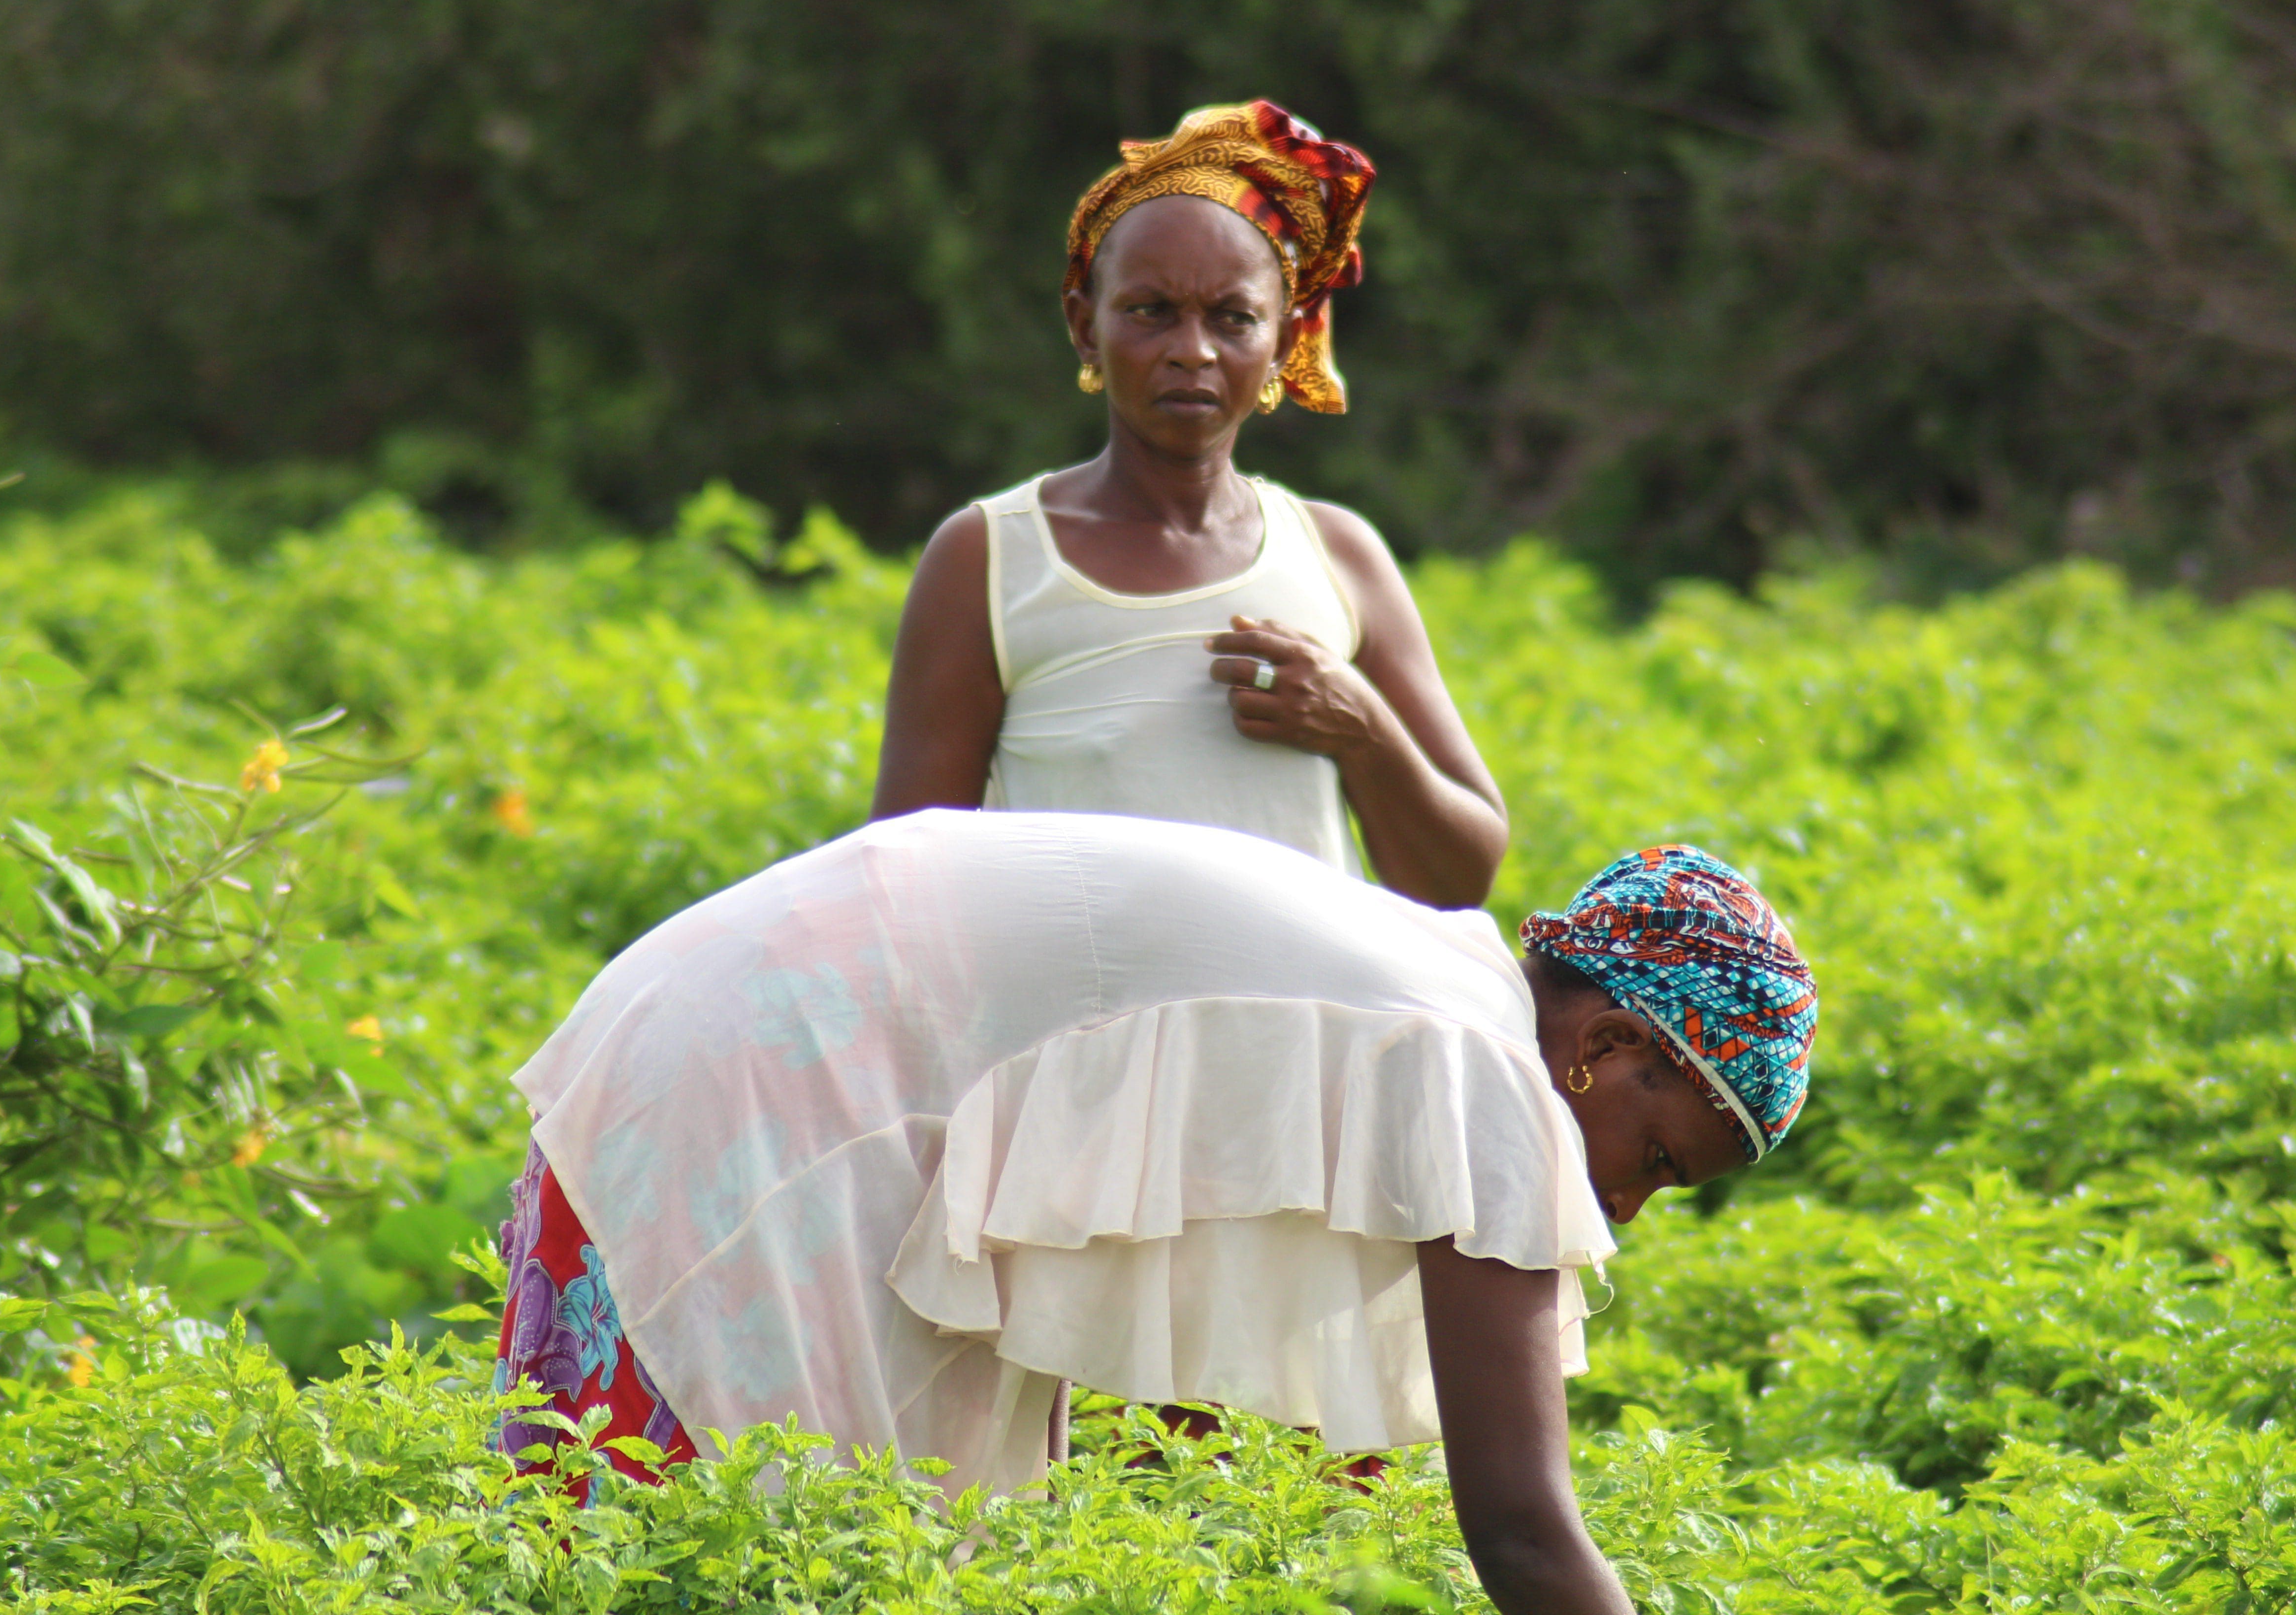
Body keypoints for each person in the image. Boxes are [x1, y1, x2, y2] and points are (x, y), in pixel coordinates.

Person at [495, 812, 1817, 1615]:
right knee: (725, 1561)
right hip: (774, 1076)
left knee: (817, 1554)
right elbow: (1522, 1526)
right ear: (1603, 1042)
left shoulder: (1446, 992)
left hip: (740, 1010)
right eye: (1656, 1155)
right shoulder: (1478, 1064)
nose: (1629, 1207)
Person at [872, 101, 1506, 910]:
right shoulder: (991, 560)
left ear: (1283, 342)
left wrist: (1362, 728)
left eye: (1234, 318)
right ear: (1083, 326)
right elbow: (901, 883)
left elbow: (1462, 878)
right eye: (1150, 312)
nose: (1193, 350)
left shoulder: (1336, 556)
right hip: (1087, 1034)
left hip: (1301, 1033)